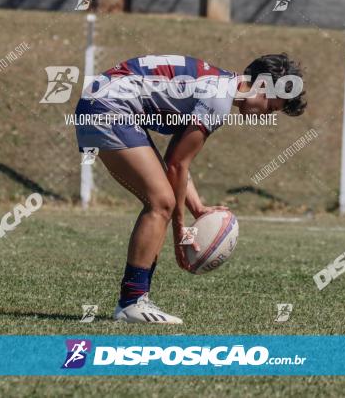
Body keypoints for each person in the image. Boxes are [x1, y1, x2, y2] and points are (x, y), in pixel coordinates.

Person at [74, 54, 306, 324]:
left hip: (103, 102)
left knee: (162, 201)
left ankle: (135, 299)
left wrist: (197, 208)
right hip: (109, 107)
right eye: (270, 108)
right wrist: (180, 233)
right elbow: (177, 166)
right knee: (162, 203)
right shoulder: (218, 100)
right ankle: (131, 302)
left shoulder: (218, 86)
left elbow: (176, 162)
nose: (267, 115)